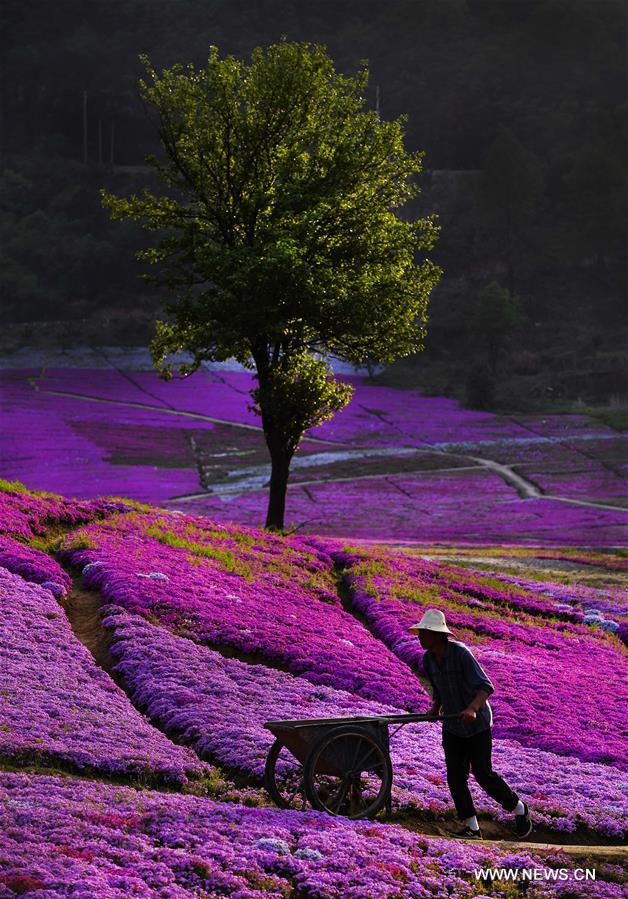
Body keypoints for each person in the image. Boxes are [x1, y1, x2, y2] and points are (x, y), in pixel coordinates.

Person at [409, 608, 532, 840]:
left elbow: (486, 686)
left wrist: (472, 709)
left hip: (477, 725)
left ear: (437, 634)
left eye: (424, 632)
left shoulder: (461, 653)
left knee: (483, 774)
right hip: (453, 725)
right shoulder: (427, 659)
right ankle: (472, 827)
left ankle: (519, 808)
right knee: (456, 776)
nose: (420, 637)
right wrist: (436, 707)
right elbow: (439, 687)